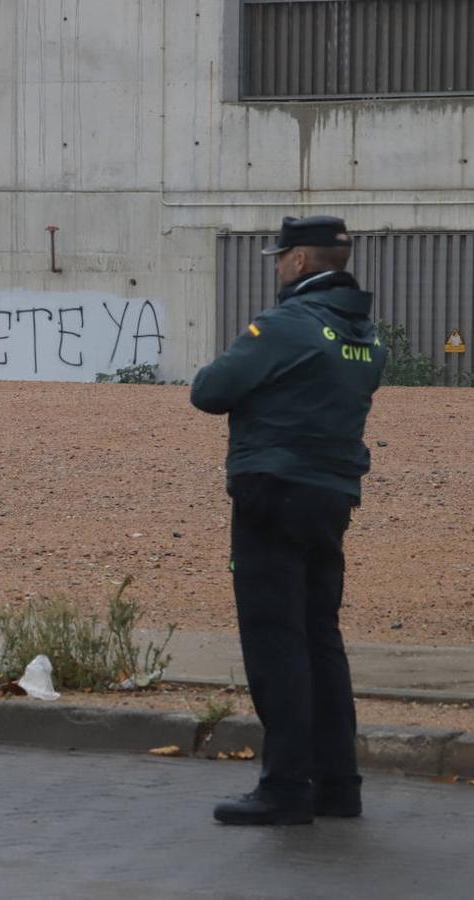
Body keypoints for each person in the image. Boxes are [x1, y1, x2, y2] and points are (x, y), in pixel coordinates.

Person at [190, 216, 386, 826]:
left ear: (300, 261)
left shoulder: (281, 327)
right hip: (332, 496)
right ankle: (337, 785)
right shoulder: (365, 336)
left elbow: (209, 389)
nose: (276, 267)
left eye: (281, 258)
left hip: (272, 493)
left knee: (276, 641)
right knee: (320, 638)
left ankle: (284, 787)